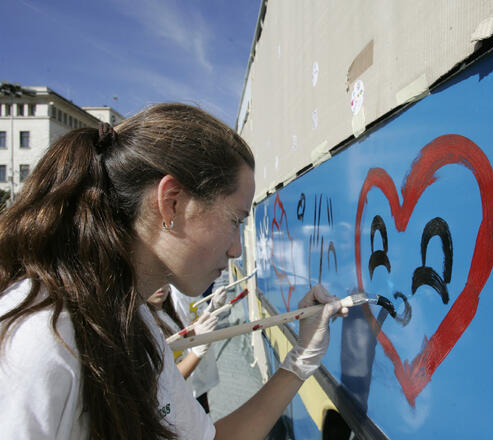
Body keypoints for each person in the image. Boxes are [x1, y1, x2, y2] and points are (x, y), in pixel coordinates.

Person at [0, 103, 348, 439]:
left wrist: (300, 360)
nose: (237, 249)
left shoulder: (137, 322)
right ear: (172, 203)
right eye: (235, 221)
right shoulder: (37, 343)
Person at [146, 284, 219, 413]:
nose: (159, 286)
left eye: (164, 279)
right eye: (152, 281)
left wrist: (212, 309)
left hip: (187, 394)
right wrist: (198, 351)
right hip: (174, 407)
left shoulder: (166, 312)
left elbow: (187, 335)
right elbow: (168, 379)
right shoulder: (147, 326)